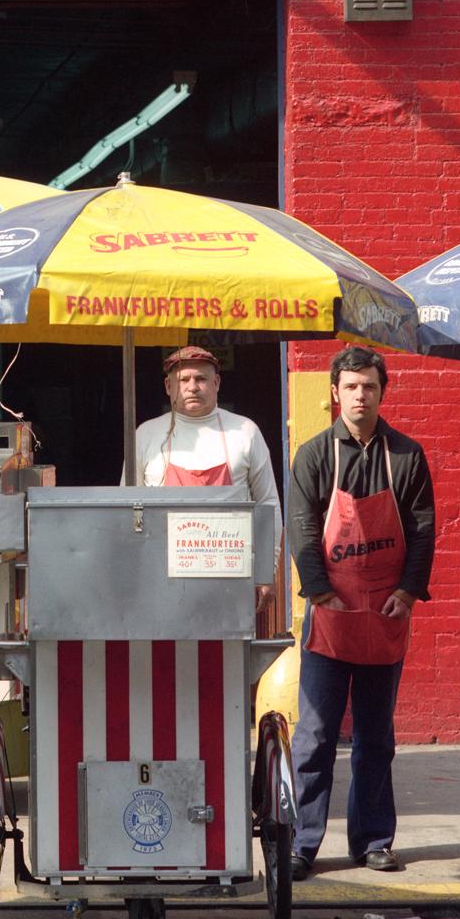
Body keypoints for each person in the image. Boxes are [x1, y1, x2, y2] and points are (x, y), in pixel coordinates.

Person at [286, 344, 436, 878]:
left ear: (381, 392)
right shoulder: (313, 455)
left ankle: (373, 840)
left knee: (377, 737)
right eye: (350, 386)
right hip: (330, 611)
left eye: (369, 386)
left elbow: (421, 528)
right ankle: (302, 844)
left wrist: (410, 588)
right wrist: (318, 586)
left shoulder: (406, 455)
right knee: (316, 735)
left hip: (386, 612)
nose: (359, 395)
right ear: (335, 392)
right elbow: (302, 525)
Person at [133, 344, 280, 609]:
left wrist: (266, 570)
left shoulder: (245, 431)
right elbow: (127, 512)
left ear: (216, 382)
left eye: (201, 379)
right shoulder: (146, 434)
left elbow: (268, 504)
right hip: (161, 579)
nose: (192, 386)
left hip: (231, 578)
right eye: (183, 380)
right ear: (168, 386)